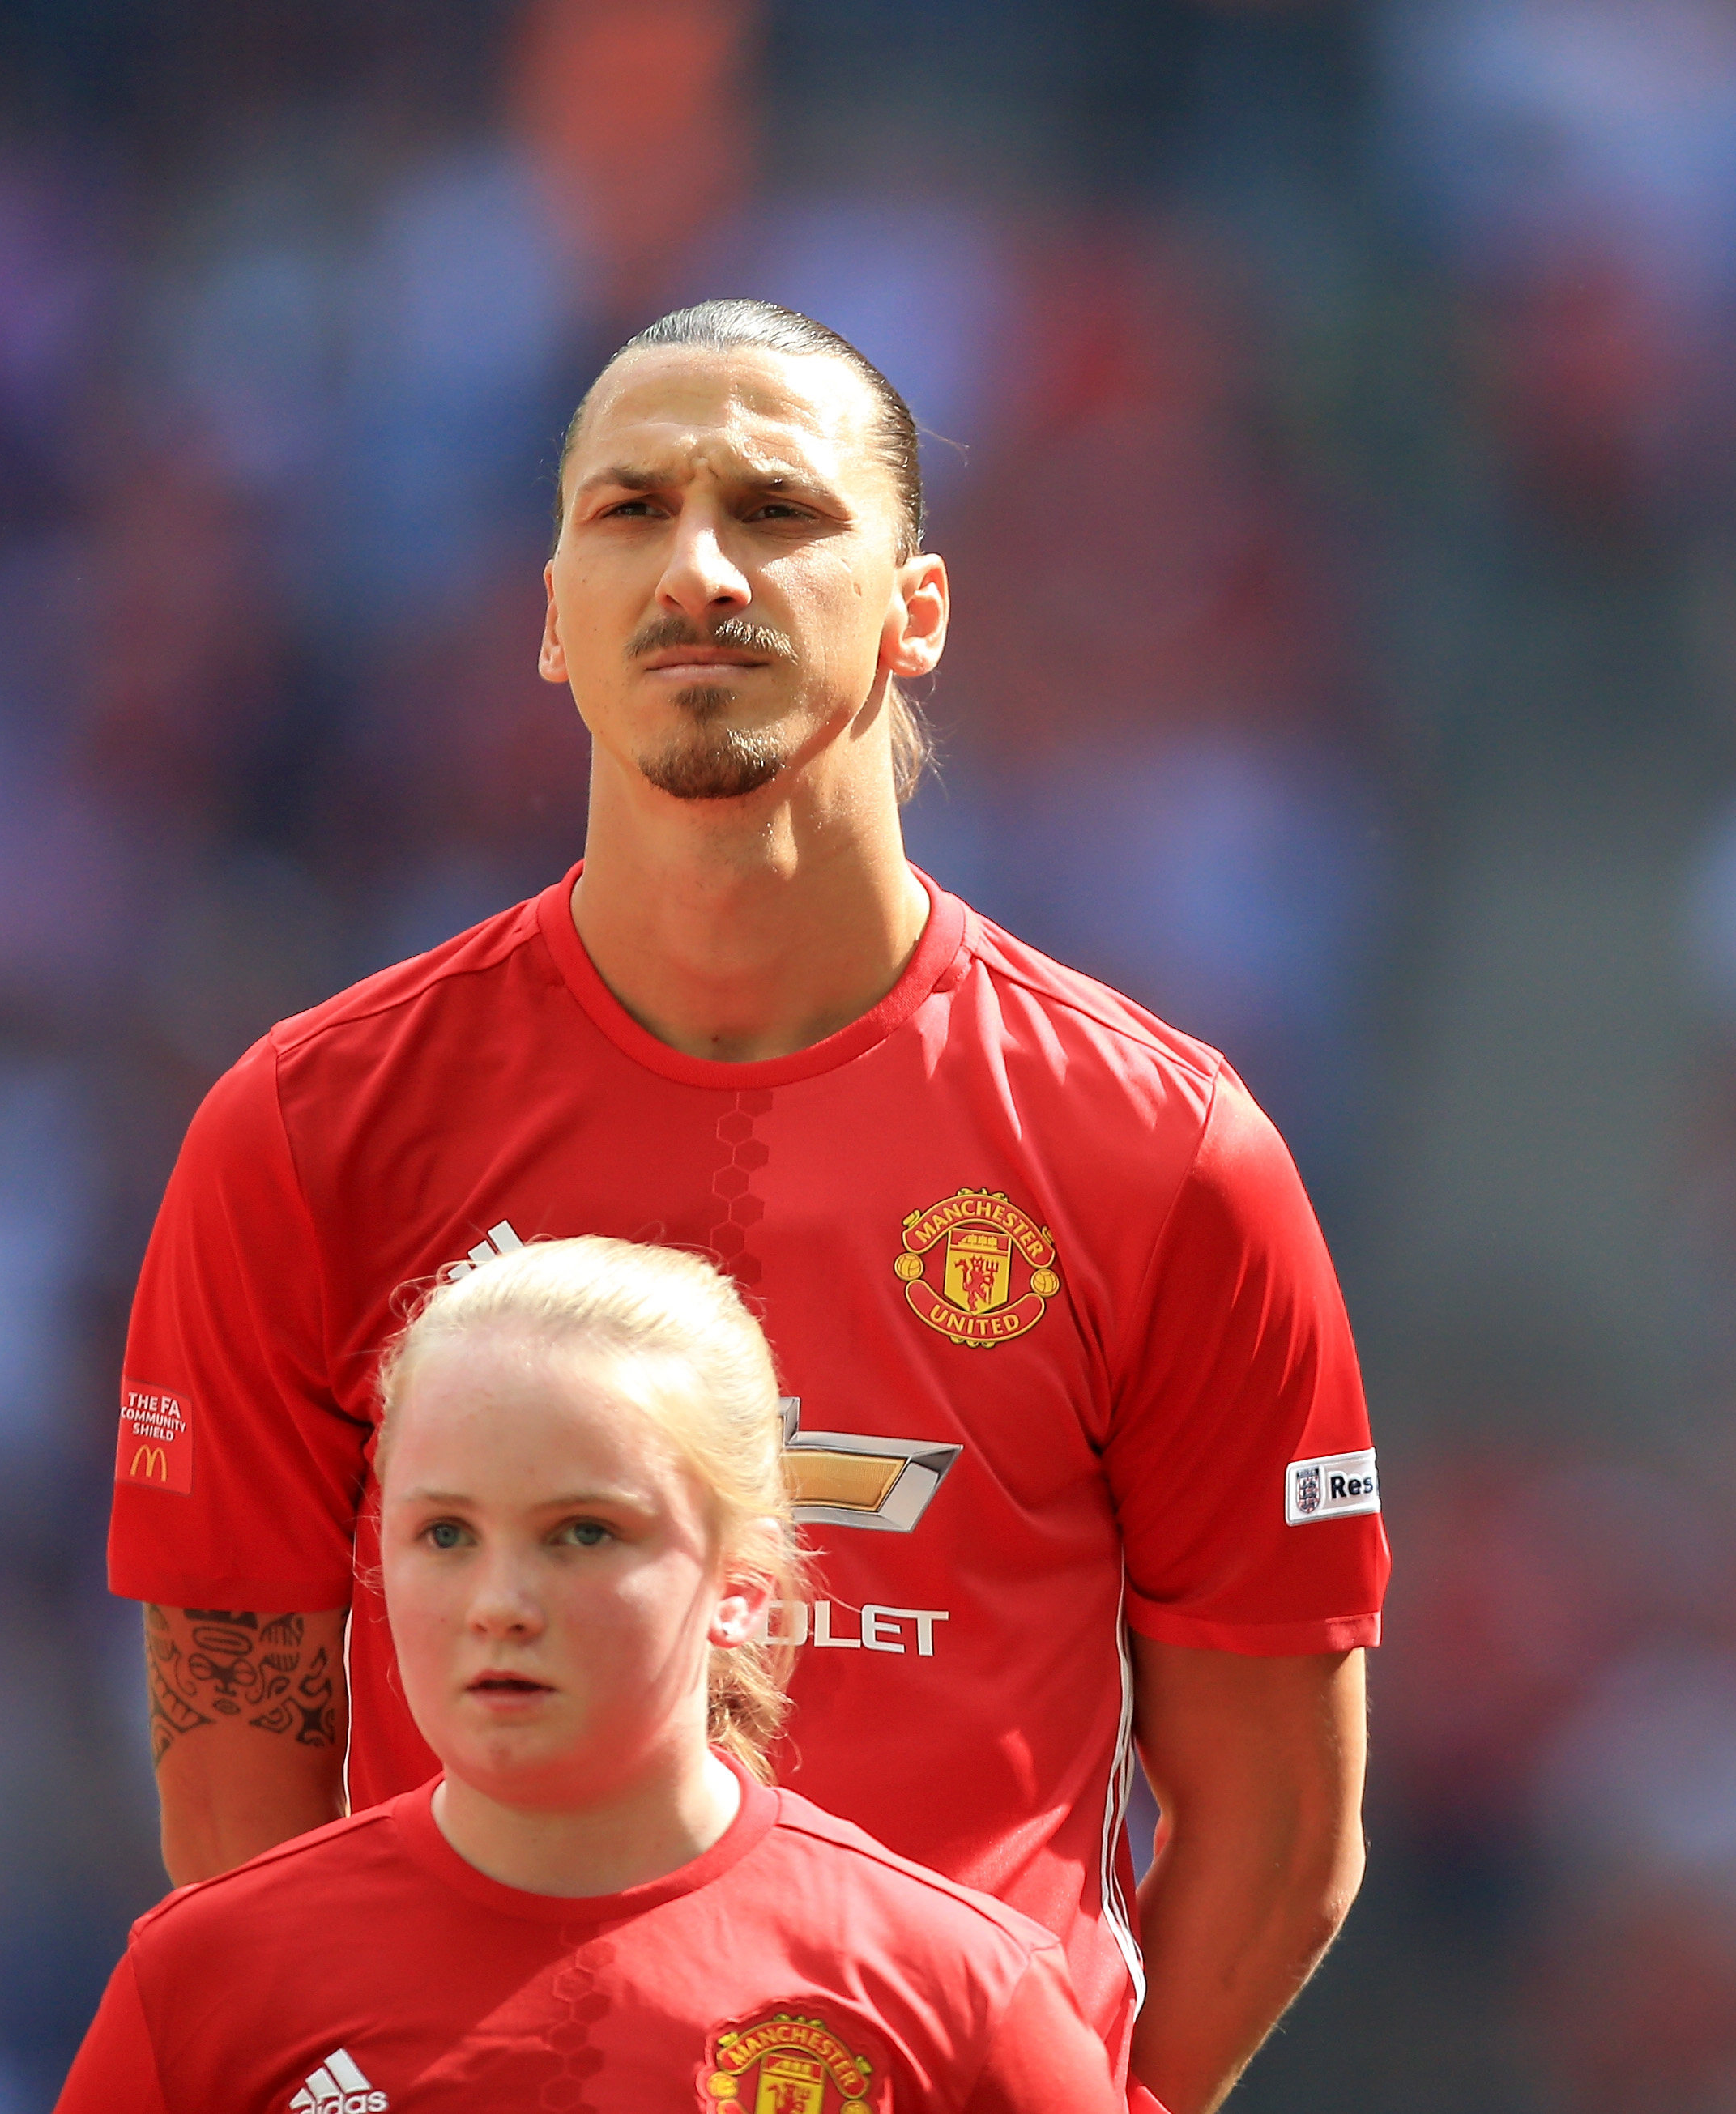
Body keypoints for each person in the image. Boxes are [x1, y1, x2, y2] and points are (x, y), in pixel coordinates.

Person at [106, 300, 1382, 2112]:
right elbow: (240, 1774)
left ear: (916, 610)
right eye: (630, 511)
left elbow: (1278, 1838)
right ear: (550, 617)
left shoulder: (1165, 1154)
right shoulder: (312, 1131)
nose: (699, 569)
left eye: (777, 512)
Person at [62, 1236, 1115, 2112]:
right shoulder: (205, 1976)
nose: (500, 1601)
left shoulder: (960, 1988)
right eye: (444, 1532)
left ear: (741, 1583)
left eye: (581, 1530)